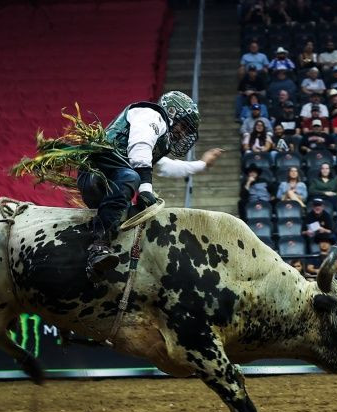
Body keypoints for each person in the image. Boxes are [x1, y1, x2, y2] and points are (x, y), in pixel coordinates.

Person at [14, 91, 219, 279]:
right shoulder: (150, 114)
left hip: (114, 179)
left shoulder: (157, 138)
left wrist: (202, 165)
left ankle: (110, 257)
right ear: (172, 112)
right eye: (183, 125)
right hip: (99, 173)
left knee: (137, 197)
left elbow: (165, 167)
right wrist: (145, 189)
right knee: (132, 178)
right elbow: (140, 148)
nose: (182, 133)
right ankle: (98, 246)